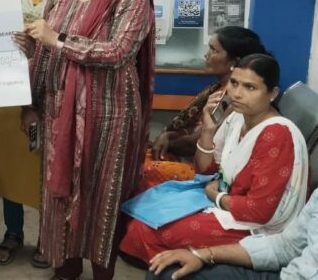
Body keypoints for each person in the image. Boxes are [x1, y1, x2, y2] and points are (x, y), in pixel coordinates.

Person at [15, 0, 156, 280]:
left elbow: (119, 51)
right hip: (58, 111)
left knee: (102, 197)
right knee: (58, 195)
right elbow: (46, 50)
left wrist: (57, 40)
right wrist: (31, 91)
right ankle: (66, 269)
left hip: (108, 115)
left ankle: (102, 273)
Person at [120, 54, 309, 264]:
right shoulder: (237, 118)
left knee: (146, 230)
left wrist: (216, 196)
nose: (237, 94)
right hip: (226, 203)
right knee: (138, 207)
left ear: (272, 94)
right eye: (234, 83)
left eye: (250, 87)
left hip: (257, 228)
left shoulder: (276, 135)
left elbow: (258, 212)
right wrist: (208, 130)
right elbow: (205, 171)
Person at [0, 0, 66, 267]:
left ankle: (46, 236)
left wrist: (41, 45)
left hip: (55, 91)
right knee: (11, 166)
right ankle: (13, 232)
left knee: (52, 167)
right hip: (9, 91)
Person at [142, 27, 267, 191]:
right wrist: (169, 136)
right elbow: (198, 131)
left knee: (139, 169)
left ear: (233, 62)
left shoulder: (231, 98)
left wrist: (166, 143)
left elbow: (196, 144)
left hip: (208, 172)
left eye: (214, 50)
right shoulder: (219, 88)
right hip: (192, 158)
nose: (206, 55)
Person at [147, 189, 318, 280]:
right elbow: (288, 246)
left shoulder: (278, 139)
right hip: (288, 275)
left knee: (158, 230)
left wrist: (218, 196)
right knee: (165, 272)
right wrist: (201, 255)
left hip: (248, 222)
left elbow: (257, 210)